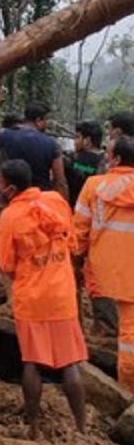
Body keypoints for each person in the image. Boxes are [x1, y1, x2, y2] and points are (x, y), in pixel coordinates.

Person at [0, 159, 88, 439]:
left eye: (0, 184)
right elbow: (71, 244)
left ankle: (34, 428)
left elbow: (6, 264)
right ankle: (81, 428)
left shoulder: (10, 216)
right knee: (69, 363)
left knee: (33, 362)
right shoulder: (56, 201)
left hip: (32, 299)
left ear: (10, 188)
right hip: (61, 294)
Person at [73, 135, 134, 392]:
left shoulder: (93, 187)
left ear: (116, 158)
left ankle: (128, 390)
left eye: (108, 152)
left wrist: (74, 261)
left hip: (105, 273)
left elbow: (79, 231)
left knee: (128, 337)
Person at [0, 88, 67, 199]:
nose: (47, 124)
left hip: (15, 198)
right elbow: (60, 182)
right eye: (46, 120)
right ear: (38, 120)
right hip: (40, 200)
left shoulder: (7, 136)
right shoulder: (52, 144)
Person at [66, 121, 104, 207]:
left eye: (77, 137)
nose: (74, 142)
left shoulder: (72, 159)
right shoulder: (107, 160)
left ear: (87, 140)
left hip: (75, 207)